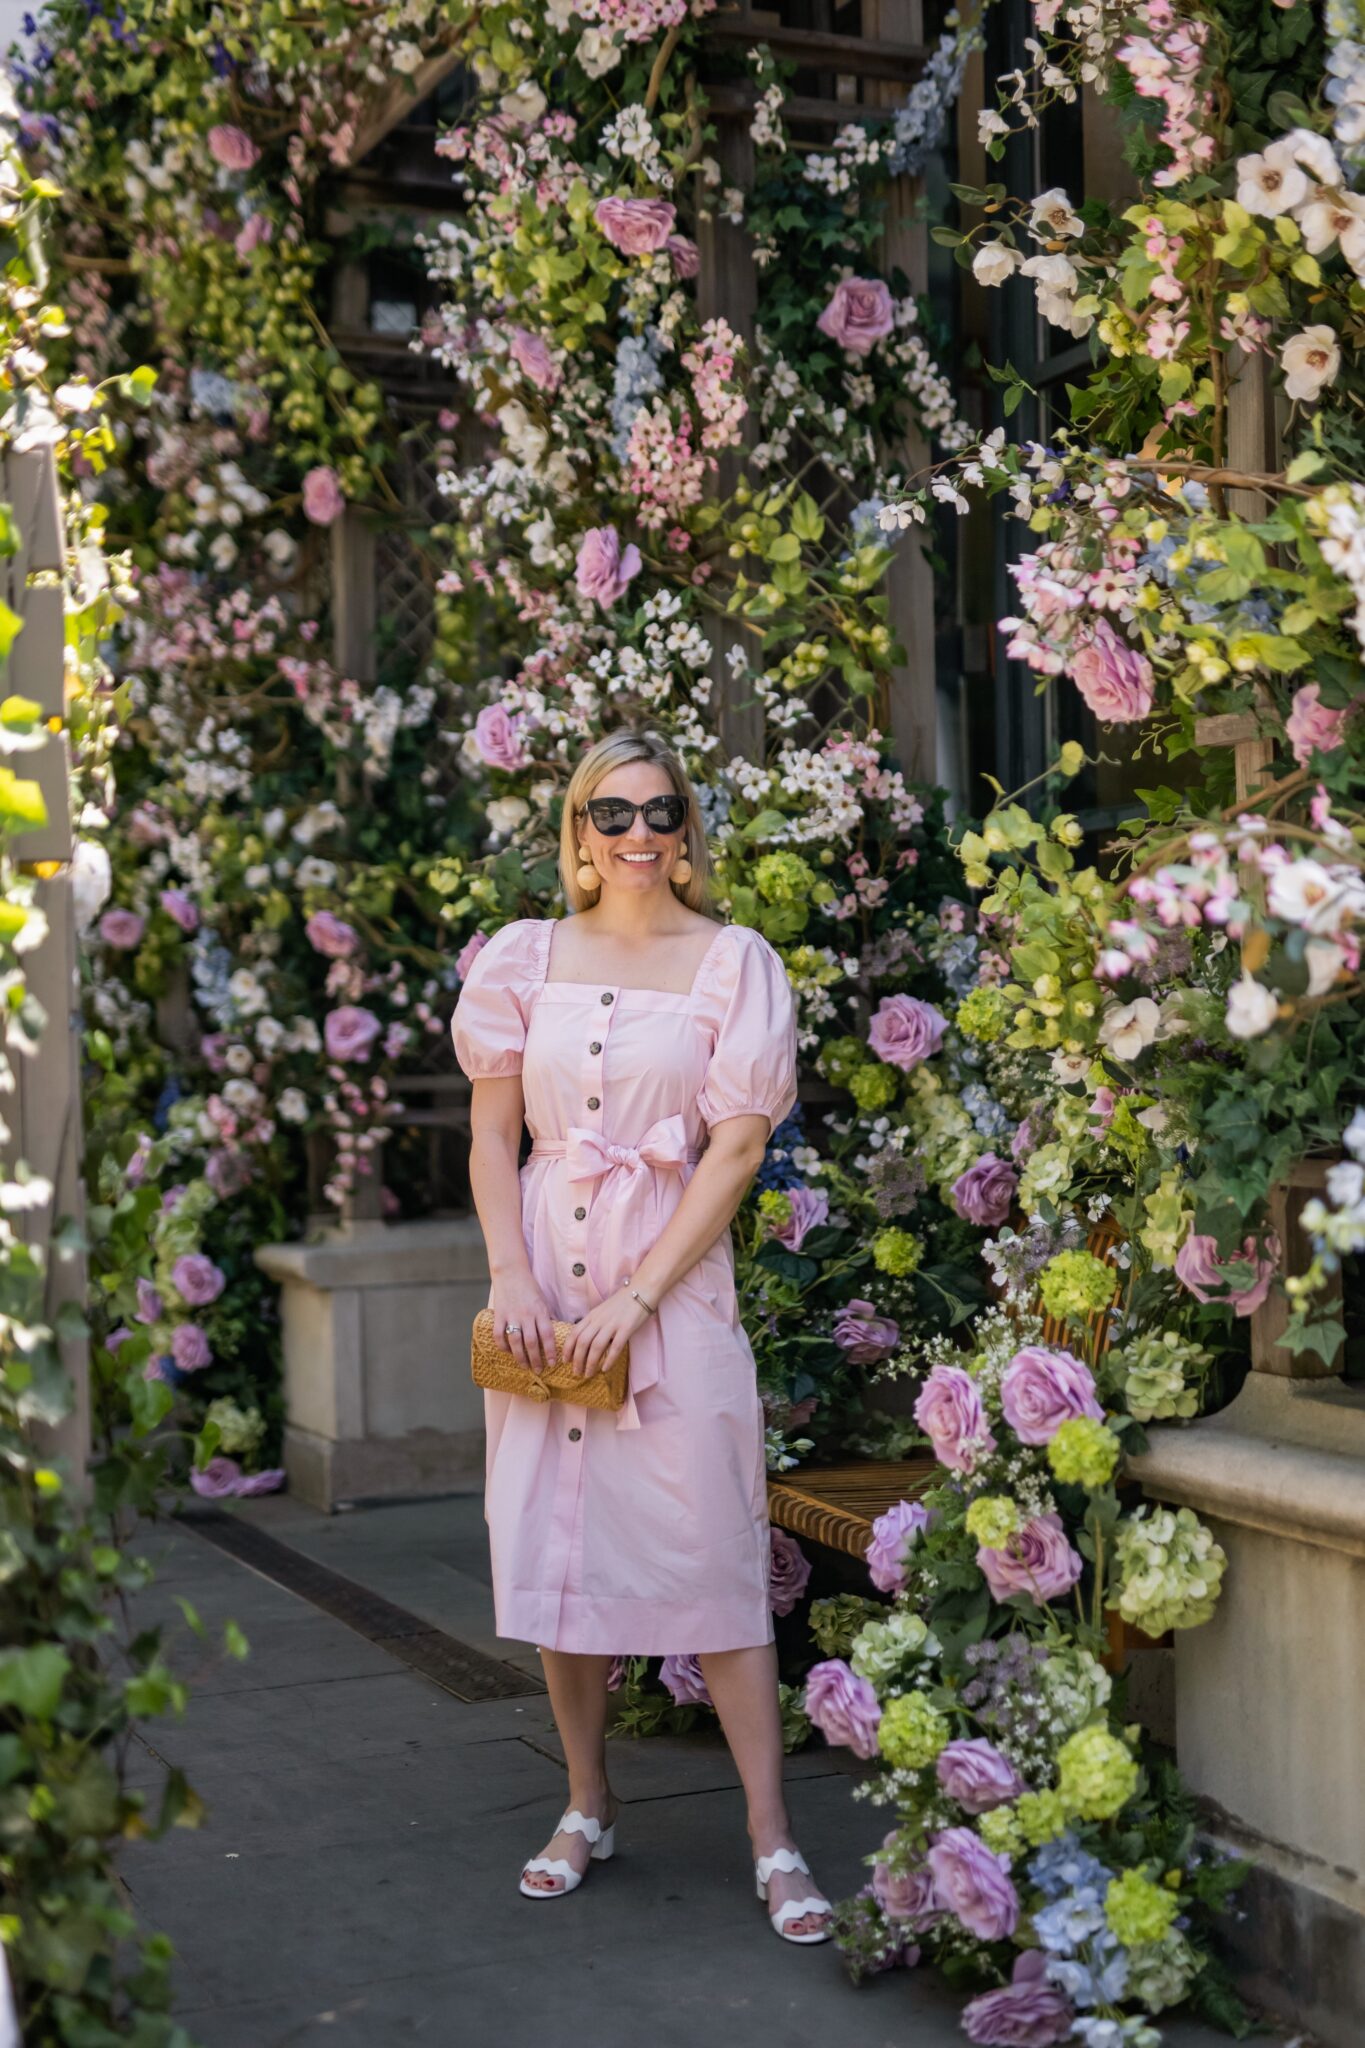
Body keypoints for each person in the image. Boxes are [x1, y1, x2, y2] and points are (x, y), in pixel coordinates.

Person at [450, 726, 833, 1944]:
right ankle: (584, 1801)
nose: (636, 836)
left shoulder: (734, 963)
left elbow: (735, 1148)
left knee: (715, 1557)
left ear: (686, 829)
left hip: (672, 1299)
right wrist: (513, 1272)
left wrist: (637, 1297)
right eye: (609, 816)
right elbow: (491, 1134)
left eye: (658, 811)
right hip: (545, 1300)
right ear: (577, 834)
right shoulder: (523, 957)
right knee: (565, 1566)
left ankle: (774, 1838)